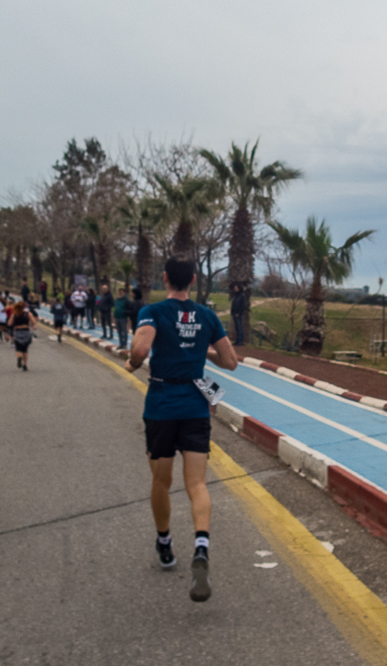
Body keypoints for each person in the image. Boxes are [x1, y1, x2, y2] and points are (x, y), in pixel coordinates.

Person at [125, 255, 238, 602]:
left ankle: (165, 544)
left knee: (162, 480)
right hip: (195, 407)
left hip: (161, 406)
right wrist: (201, 351)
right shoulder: (206, 315)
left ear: (165, 278)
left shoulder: (153, 312)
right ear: (192, 278)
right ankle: (201, 547)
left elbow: (142, 348)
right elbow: (231, 362)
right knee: (197, 483)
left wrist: (131, 361)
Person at [8, 300, 36, 371]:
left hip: (17, 332)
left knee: (18, 348)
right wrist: (33, 325)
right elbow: (33, 321)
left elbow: (9, 323)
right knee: (25, 350)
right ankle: (25, 365)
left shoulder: (15, 314)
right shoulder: (27, 314)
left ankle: (19, 357)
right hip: (26, 332)